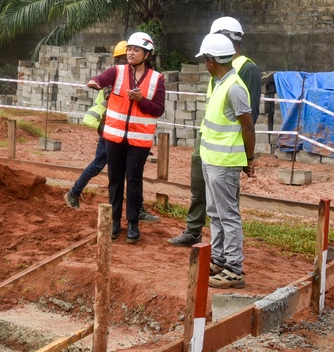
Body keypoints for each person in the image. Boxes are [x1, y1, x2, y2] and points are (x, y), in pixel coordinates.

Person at [169, 17, 261, 247]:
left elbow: (249, 118)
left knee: (224, 203)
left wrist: (243, 154)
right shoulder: (217, 67)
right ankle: (195, 230)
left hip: (227, 147)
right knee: (200, 187)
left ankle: (227, 252)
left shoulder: (246, 69)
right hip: (208, 140)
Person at [65, 40, 160, 223]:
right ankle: (74, 193)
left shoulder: (130, 75)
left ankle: (75, 193)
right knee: (106, 167)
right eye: (126, 54)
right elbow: (117, 103)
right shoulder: (116, 77)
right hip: (112, 131)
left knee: (127, 173)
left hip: (120, 131)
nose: (129, 57)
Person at [87, 32, 166, 243]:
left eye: (136, 50)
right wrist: (95, 82)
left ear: (147, 54)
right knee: (114, 179)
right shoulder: (117, 71)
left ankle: (132, 223)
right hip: (114, 138)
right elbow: (102, 79)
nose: (130, 53)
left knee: (133, 180)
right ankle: (114, 222)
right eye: (129, 49)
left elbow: (158, 109)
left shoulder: (156, 79)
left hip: (138, 141)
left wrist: (141, 100)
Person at [194, 32, 256, 288]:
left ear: (211, 61)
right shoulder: (221, 84)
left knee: (228, 215)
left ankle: (234, 268)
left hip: (225, 163)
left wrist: (249, 159)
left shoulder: (234, 88)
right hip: (212, 160)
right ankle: (219, 258)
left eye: (204, 60)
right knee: (215, 213)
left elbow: (248, 128)